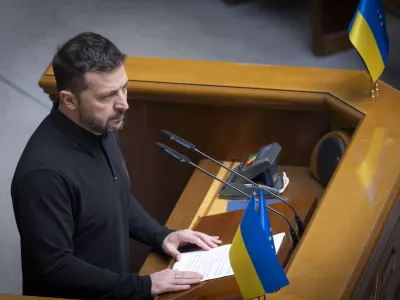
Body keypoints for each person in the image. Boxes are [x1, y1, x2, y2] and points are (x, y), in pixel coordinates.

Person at [10, 32, 222, 300]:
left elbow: (115, 196)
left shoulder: (99, 125)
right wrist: (142, 286)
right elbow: (54, 267)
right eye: (107, 96)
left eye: (124, 87)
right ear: (69, 100)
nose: (124, 104)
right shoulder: (43, 174)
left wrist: (161, 235)